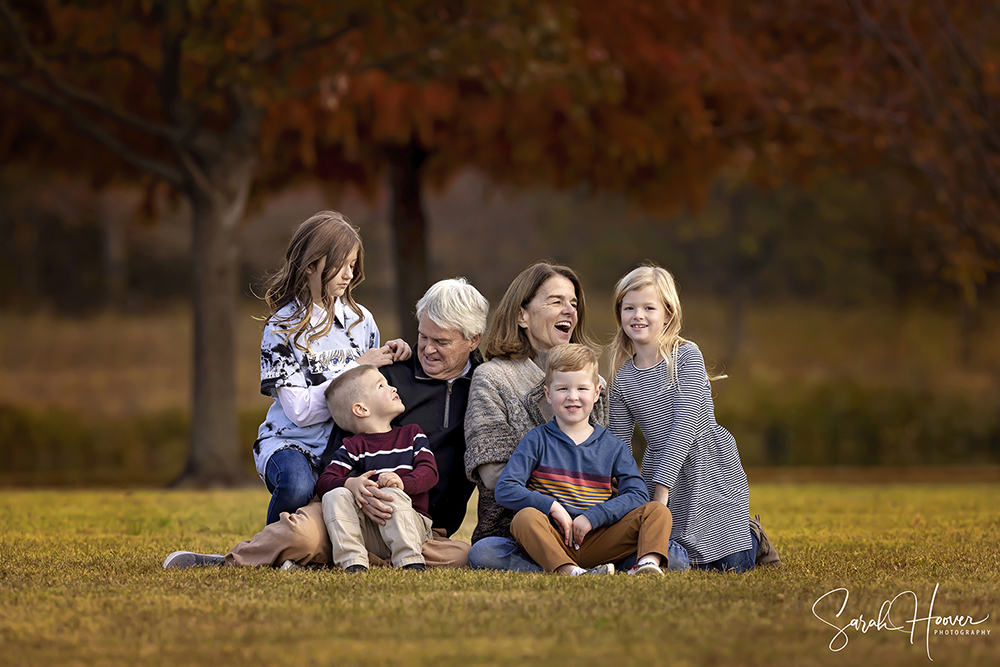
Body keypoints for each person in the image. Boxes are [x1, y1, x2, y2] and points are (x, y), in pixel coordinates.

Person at [163, 278, 487, 570]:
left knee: (462, 557)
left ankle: (348, 559)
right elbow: (340, 448)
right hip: (352, 510)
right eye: (422, 336)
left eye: (441, 342)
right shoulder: (388, 376)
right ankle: (230, 561)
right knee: (302, 535)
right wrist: (355, 488)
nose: (427, 349)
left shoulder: (484, 387)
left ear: (473, 340)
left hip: (420, 525)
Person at [464, 261, 690, 572]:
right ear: (522, 315)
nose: (569, 310)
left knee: (675, 557)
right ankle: (571, 569)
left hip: (595, 526)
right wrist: (557, 504)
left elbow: (609, 467)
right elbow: (495, 477)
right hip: (524, 527)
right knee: (485, 553)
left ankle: (611, 566)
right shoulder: (493, 377)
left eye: (573, 303)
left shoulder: (594, 382)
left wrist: (596, 515)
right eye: (556, 301)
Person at [607, 265, 780, 572]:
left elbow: (684, 427)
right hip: (659, 463)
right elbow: (619, 445)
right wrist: (623, 497)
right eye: (629, 307)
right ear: (619, 312)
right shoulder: (622, 379)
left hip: (706, 460)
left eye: (649, 308)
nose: (638, 316)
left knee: (731, 564)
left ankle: (752, 536)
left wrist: (661, 494)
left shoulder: (687, 356)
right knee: (677, 560)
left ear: (668, 315)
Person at [253, 211, 409, 525]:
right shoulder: (281, 329)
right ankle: (266, 548)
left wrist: (397, 354)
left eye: (354, 265)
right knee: (298, 485)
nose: (350, 274)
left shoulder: (361, 321)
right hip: (291, 441)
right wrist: (357, 365)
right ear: (311, 264)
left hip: (345, 444)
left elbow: (370, 386)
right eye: (342, 264)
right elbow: (300, 412)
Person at [497, 344, 673, 576]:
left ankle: (646, 565)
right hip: (552, 538)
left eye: (582, 388)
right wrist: (552, 507)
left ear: (597, 391)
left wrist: (593, 517)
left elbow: (637, 494)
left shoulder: (613, 446)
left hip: (601, 537)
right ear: (548, 394)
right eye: (563, 389)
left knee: (658, 512)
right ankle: (570, 571)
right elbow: (505, 488)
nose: (573, 397)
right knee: (521, 521)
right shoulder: (536, 440)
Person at [318, 365, 438, 572]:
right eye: (381, 386)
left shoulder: (412, 435)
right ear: (362, 409)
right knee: (334, 495)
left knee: (390, 492)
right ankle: (353, 563)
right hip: (372, 531)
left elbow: (429, 472)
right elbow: (324, 482)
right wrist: (351, 483)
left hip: (411, 524)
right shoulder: (352, 446)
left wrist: (403, 482)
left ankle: (410, 562)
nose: (392, 388)